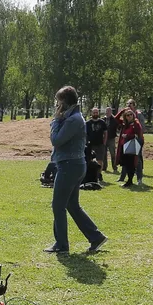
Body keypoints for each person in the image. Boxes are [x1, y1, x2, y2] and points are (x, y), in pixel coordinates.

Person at [45, 86, 107, 254]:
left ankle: (61, 245)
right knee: (72, 205)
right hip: (73, 165)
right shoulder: (73, 117)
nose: (57, 105)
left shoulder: (73, 120)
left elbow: (56, 140)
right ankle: (96, 237)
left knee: (58, 205)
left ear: (65, 102)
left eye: (59, 101)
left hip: (69, 166)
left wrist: (56, 121)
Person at [116, 108, 144, 187]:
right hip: (124, 145)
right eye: (127, 115)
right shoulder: (125, 124)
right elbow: (115, 119)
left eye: (131, 114)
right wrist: (122, 111)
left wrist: (127, 136)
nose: (130, 116)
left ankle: (135, 180)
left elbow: (138, 135)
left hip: (133, 146)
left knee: (134, 163)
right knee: (126, 163)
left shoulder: (136, 123)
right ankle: (128, 180)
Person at [125, 98, 146, 185]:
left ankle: (139, 179)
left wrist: (138, 137)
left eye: (130, 104)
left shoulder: (139, 114)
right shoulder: (126, 114)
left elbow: (142, 128)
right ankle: (127, 178)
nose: (128, 106)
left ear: (134, 105)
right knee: (128, 159)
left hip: (137, 140)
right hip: (128, 140)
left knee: (138, 160)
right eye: (127, 104)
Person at [84, 107, 107, 178]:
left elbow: (105, 133)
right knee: (90, 160)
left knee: (100, 160)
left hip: (100, 144)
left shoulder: (102, 122)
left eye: (96, 112)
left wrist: (104, 142)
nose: (95, 114)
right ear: (91, 113)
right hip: (90, 145)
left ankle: (99, 175)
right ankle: (91, 175)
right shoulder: (87, 123)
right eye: (94, 112)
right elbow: (85, 134)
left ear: (98, 113)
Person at [104, 106, 120, 173]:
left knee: (113, 153)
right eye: (106, 111)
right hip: (104, 139)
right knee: (104, 154)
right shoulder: (102, 119)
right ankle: (104, 167)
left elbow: (119, 127)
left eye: (109, 111)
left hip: (111, 139)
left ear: (111, 112)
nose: (107, 113)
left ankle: (114, 167)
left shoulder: (114, 120)